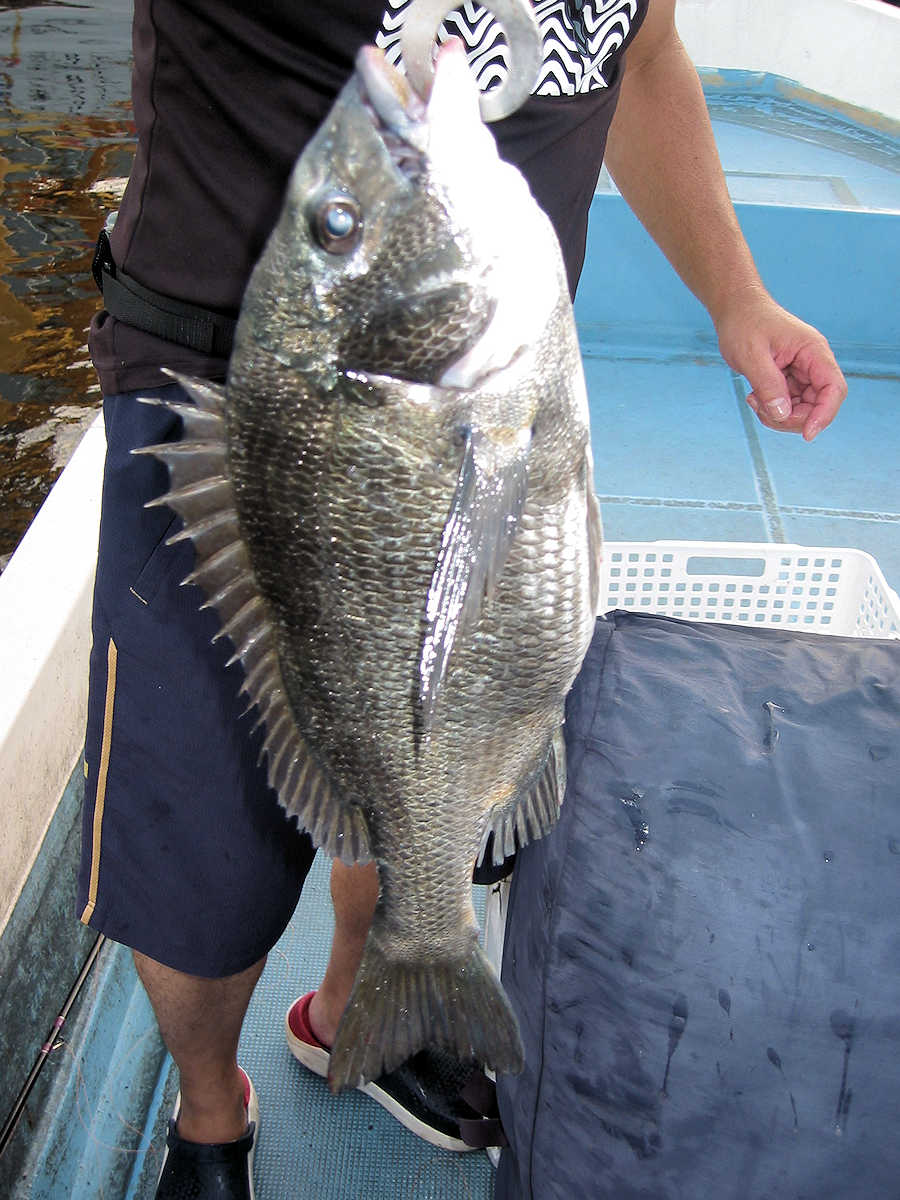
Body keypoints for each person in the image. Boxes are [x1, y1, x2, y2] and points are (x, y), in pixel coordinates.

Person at [79, 2, 848, 1196]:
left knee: (447, 738)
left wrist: (736, 295)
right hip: (231, 393)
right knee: (202, 859)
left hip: (487, 385)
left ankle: (362, 1000)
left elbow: (640, 46)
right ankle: (209, 1111)